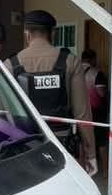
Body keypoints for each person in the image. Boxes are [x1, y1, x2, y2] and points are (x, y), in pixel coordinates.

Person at [5, 10, 97, 176]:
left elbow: (6, 113)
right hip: (62, 145)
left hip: (25, 145)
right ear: (52, 32)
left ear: (27, 34)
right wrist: (90, 154)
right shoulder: (70, 62)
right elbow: (82, 113)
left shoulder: (10, 65)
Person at [82, 49, 109, 178]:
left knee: (82, 141)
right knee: (101, 142)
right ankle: (105, 172)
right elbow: (101, 93)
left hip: (79, 112)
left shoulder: (74, 71)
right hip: (96, 112)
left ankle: (83, 170)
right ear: (92, 59)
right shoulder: (97, 73)